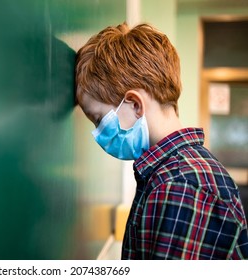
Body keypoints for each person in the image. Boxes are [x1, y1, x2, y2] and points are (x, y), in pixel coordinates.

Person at [75, 22, 248, 259]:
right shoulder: (169, 174)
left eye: (98, 119)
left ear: (135, 104)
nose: (98, 133)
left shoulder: (180, 185)